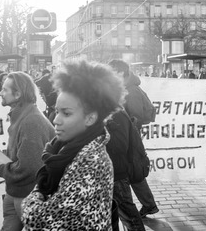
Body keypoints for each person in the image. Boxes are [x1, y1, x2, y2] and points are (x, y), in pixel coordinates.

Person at [22, 60, 124, 230]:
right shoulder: (65, 147)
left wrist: (32, 199)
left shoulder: (91, 162)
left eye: (66, 113)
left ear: (90, 118)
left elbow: (38, 218)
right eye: (57, 110)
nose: (55, 119)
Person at [0, 72, 55, 231]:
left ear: (18, 94)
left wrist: (0, 167)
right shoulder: (21, 116)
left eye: (5, 90)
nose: (0, 93)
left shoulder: (31, 121)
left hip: (28, 195)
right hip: (15, 192)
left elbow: (29, 169)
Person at [108, 59, 159, 218]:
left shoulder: (131, 91)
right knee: (132, 172)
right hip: (127, 136)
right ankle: (148, 204)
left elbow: (135, 118)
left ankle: (149, 205)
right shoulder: (125, 88)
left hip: (129, 138)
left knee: (134, 171)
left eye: (112, 72)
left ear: (121, 73)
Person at [106, 110, 146, 230]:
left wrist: (100, 130)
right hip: (105, 175)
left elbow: (120, 145)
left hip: (117, 174)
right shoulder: (96, 113)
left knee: (130, 218)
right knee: (112, 219)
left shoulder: (116, 114)